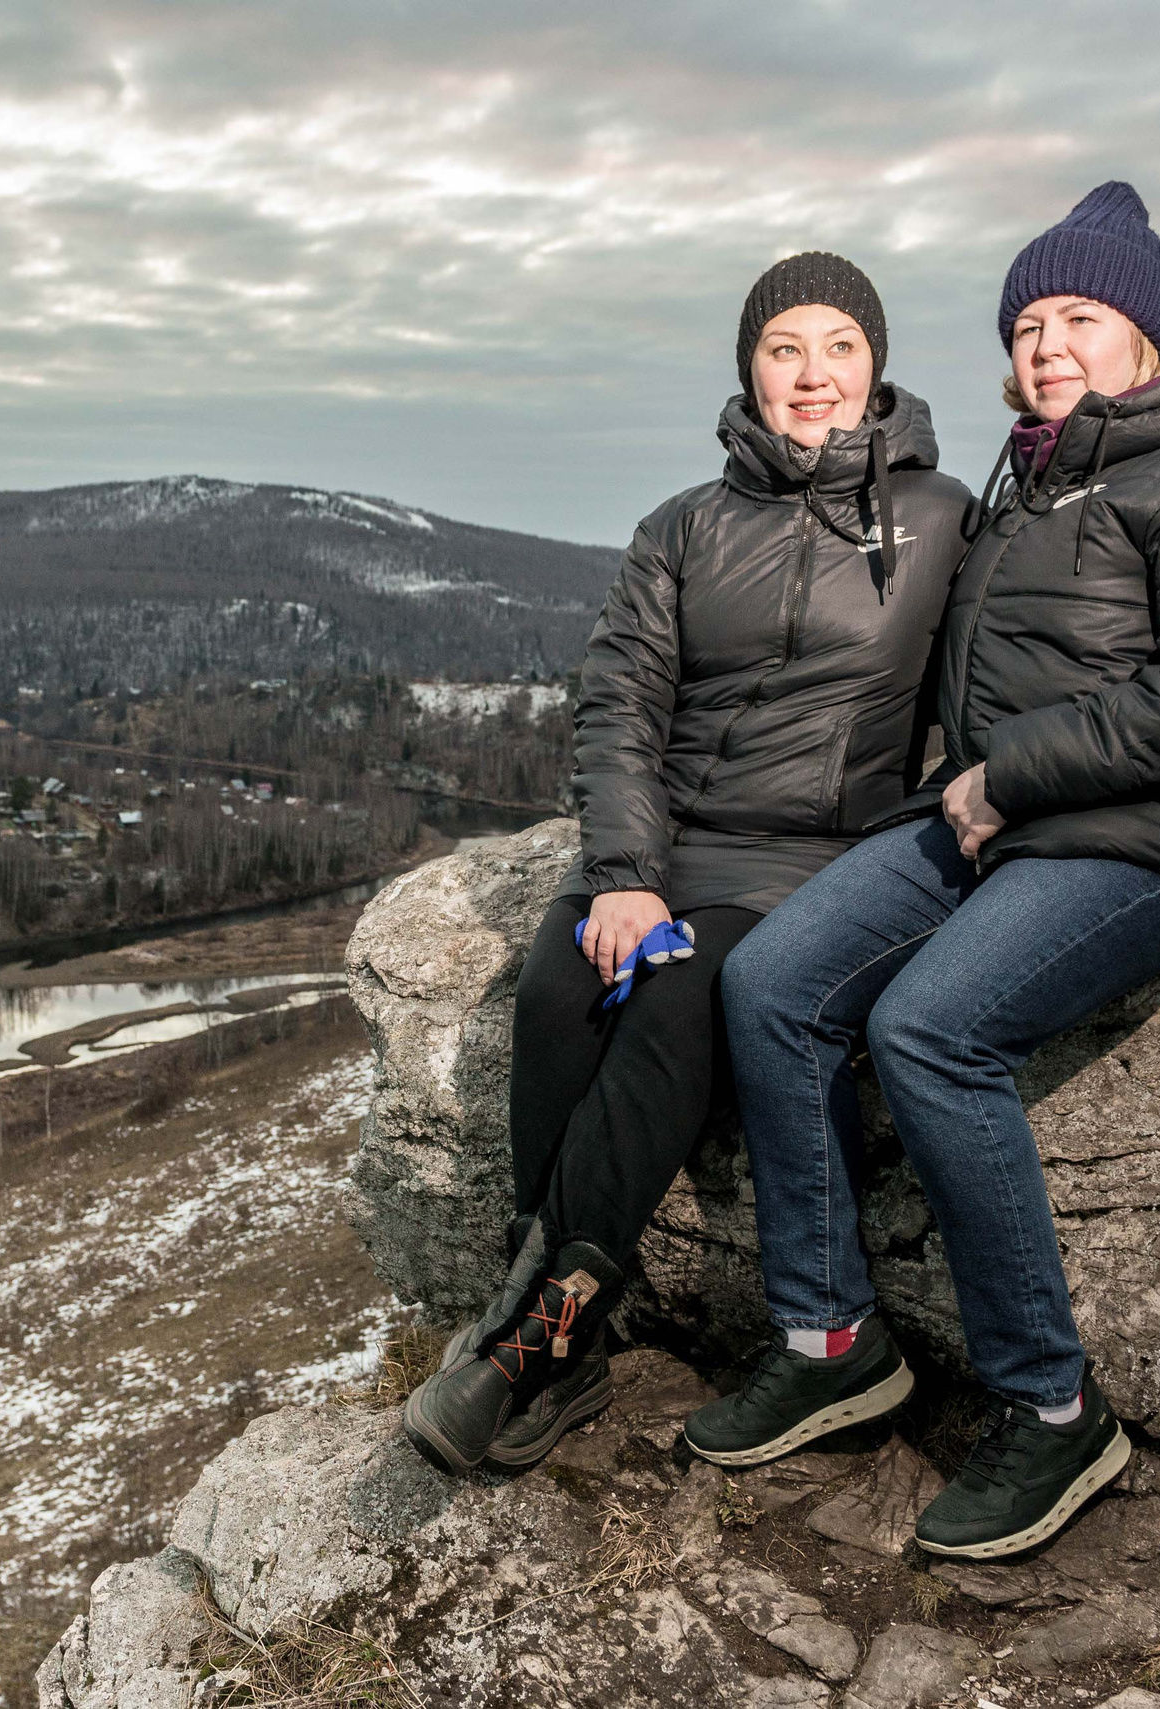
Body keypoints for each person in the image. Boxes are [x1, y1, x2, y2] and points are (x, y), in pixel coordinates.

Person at [685, 182, 1160, 1559]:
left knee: (930, 1029)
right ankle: (833, 1335)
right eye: (1025, 323)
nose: (1045, 345)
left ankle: (1052, 1409)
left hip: (1156, 838)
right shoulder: (1036, 474)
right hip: (998, 815)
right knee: (777, 978)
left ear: (1144, 331)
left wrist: (1005, 779)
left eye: (1078, 317)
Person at [403, 253, 972, 1475]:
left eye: (837, 346)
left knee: (671, 994)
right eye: (783, 349)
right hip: (664, 844)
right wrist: (620, 869)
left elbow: (986, 683)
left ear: (875, 365)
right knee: (562, 991)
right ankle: (554, 1312)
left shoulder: (936, 519)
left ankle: (534, 1345)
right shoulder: (682, 526)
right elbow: (618, 707)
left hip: (808, 857)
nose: (810, 375)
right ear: (747, 370)